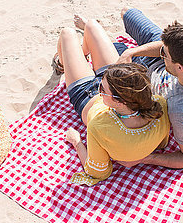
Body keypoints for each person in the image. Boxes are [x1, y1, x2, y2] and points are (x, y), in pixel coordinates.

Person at [74, 9, 183, 169]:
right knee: (127, 13)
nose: (162, 52)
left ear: (180, 67)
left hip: (139, 75)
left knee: (97, 41)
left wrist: (145, 158)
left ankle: (92, 37)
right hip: (152, 62)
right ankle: (104, 40)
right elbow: (164, 48)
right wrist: (132, 51)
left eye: (166, 54)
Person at [55, 20, 170, 186]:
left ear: (119, 102)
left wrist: (76, 142)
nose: (100, 90)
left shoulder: (100, 126)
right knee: (91, 26)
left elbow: (96, 172)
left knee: (67, 33)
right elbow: (162, 143)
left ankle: (62, 63)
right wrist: (108, 86)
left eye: (102, 90)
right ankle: (80, 56)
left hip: (85, 94)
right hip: (115, 82)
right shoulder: (159, 105)